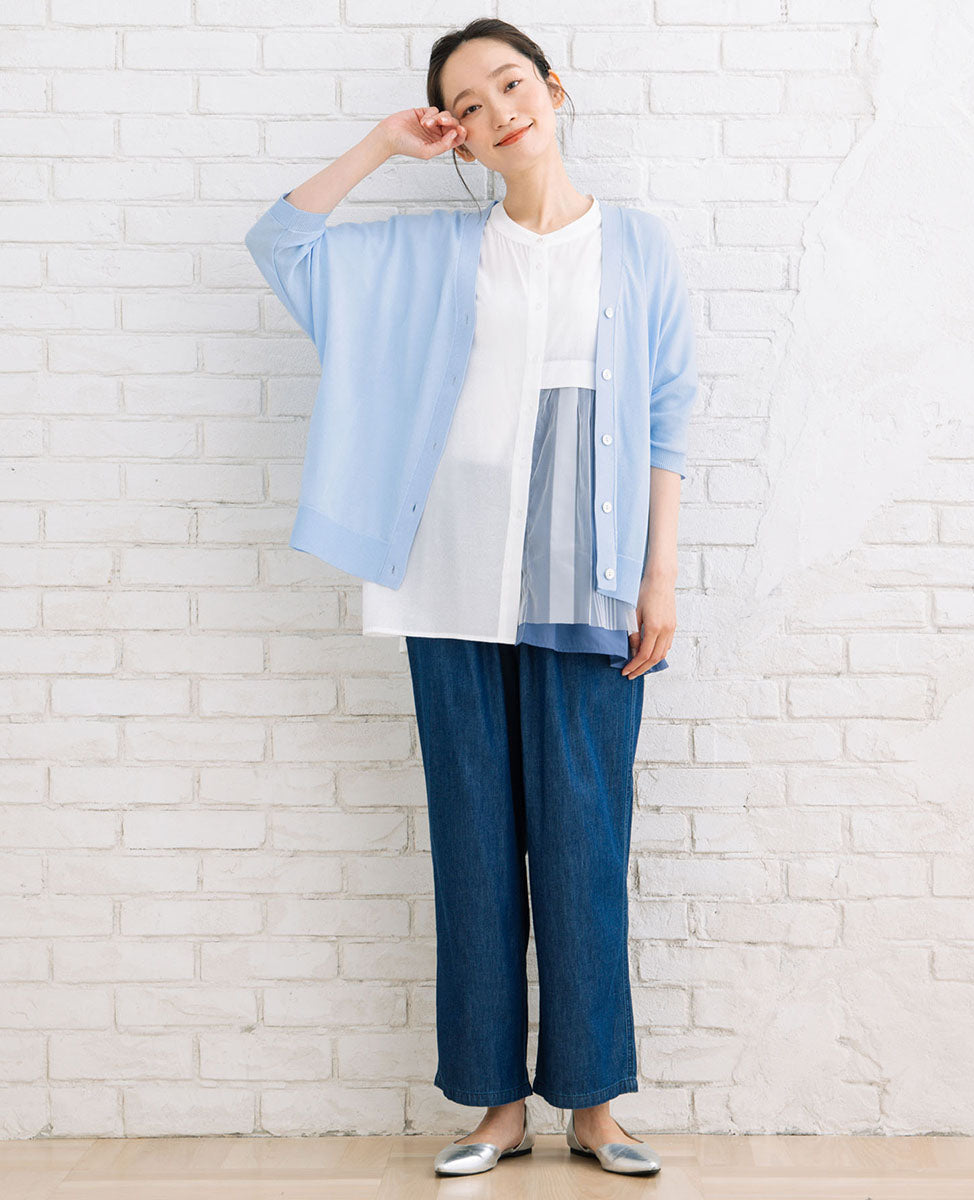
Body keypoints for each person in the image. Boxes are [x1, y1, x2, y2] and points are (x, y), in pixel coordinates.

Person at [244, 16, 697, 1179]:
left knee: (584, 843)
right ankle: (496, 1105)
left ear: (554, 87)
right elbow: (284, 244)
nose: (499, 109)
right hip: (449, 580)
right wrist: (378, 146)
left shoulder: (638, 245)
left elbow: (666, 417)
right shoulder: (433, 251)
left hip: (585, 580)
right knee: (476, 845)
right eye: (468, 103)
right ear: (459, 137)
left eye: (510, 82)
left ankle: (593, 1105)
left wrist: (658, 575)